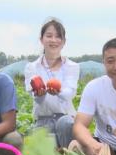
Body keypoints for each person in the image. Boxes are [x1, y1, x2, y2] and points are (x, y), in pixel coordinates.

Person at [24, 18, 79, 148]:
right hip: (43, 121)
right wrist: (40, 94)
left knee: (65, 124)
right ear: (41, 39)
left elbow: (69, 94)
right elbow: (37, 99)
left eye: (58, 36)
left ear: (63, 42)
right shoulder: (32, 67)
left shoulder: (72, 66)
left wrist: (58, 91)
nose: (53, 40)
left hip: (66, 119)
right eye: (49, 36)